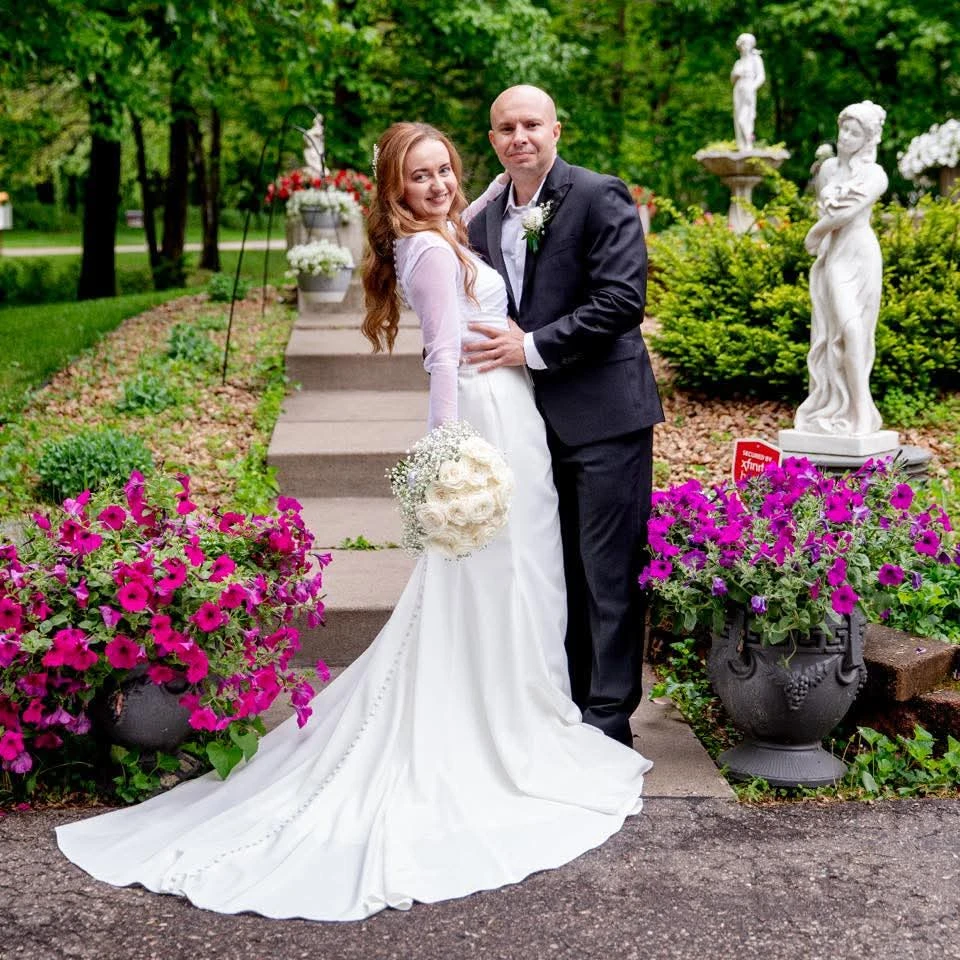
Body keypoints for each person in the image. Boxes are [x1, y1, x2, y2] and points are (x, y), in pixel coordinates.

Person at [55, 121, 652, 923]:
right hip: (483, 424)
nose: (439, 185)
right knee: (503, 579)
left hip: (515, 416)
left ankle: (529, 704)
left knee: (525, 578)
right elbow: (442, 355)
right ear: (394, 189)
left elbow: (479, 204)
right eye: (420, 176)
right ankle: (512, 721)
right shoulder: (436, 252)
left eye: (445, 170)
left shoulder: (445, 228)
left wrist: (497, 188)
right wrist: (449, 458)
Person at [464, 85, 664, 747]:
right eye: (505, 128)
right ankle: (566, 700)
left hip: (605, 414)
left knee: (608, 572)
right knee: (559, 568)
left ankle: (609, 719)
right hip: (528, 423)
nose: (518, 136)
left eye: (530, 124)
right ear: (492, 139)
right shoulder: (484, 219)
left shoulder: (599, 194)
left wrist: (534, 347)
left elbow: (621, 301)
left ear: (556, 129)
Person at [794, 101, 888, 437]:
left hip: (861, 253)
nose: (845, 136)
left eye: (854, 132)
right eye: (844, 128)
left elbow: (847, 214)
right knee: (840, 330)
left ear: (868, 139)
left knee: (855, 330)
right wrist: (821, 231)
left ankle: (861, 412)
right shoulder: (829, 170)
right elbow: (824, 207)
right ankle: (837, 405)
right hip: (836, 257)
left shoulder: (875, 175)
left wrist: (814, 232)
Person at [731, 33, 765, 150]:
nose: (745, 46)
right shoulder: (738, 62)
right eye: (743, 44)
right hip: (738, 90)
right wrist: (735, 74)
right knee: (738, 116)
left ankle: (749, 143)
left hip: (749, 88)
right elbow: (732, 79)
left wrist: (752, 87)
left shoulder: (756, 59)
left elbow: (761, 76)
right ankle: (742, 144)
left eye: (747, 43)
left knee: (745, 118)